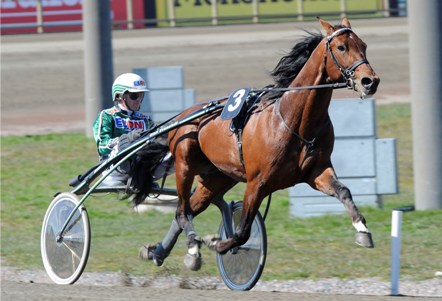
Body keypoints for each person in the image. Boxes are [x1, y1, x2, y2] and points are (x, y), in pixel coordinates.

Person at [93, 73, 156, 187]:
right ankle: (123, 177)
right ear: (121, 96)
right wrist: (128, 138)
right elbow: (103, 147)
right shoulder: (107, 116)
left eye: (141, 95)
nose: (138, 100)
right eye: (134, 96)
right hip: (112, 170)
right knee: (125, 144)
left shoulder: (146, 120)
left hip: (141, 169)